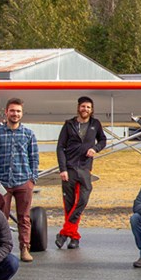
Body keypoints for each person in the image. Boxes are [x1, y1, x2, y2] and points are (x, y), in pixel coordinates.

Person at [0, 97, 39, 263]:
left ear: (21, 114)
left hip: (23, 181)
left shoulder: (29, 134)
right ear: (6, 112)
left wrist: (32, 179)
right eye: (12, 111)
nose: (15, 114)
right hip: (2, 182)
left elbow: (34, 159)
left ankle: (24, 248)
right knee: (1, 217)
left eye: (18, 111)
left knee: (24, 217)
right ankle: (1, 249)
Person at [55, 96, 107, 249]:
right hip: (70, 168)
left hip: (85, 168)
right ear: (78, 107)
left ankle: (64, 233)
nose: (86, 109)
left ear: (92, 110)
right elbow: (60, 147)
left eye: (89, 107)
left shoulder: (95, 124)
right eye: (83, 106)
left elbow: (103, 140)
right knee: (69, 204)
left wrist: (95, 149)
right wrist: (63, 169)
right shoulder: (68, 124)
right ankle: (74, 237)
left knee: (82, 201)